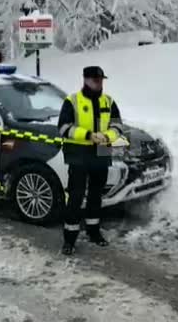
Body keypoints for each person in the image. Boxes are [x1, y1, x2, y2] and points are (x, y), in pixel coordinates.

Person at [57, 66, 124, 255]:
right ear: (85, 80)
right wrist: (88, 135)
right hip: (79, 153)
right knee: (76, 197)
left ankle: (94, 232)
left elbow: (118, 125)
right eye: (95, 80)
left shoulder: (108, 101)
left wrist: (108, 136)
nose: (99, 83)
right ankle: (69, 239)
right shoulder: (73, 101)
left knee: (96, 195)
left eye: (101, 79)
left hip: (102, 152)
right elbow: (63, 128)